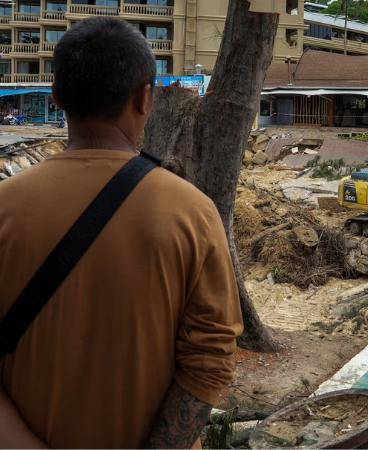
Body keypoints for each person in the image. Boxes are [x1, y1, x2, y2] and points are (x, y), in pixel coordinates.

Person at [0, 17, 242, 448]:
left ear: (56, 97)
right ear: (145, 98)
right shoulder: (194, 213)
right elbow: (210, 358)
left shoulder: (5, 206)